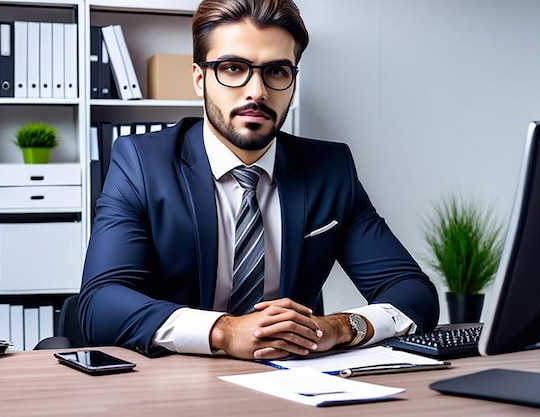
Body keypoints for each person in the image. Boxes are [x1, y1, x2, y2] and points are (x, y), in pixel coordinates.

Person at [79, 0, 439, 360]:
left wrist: (339, 327)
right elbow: (99, 302)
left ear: (293, 86)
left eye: (277, 71)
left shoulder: (330, 168)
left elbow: (413, 292)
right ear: (199, 78)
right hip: (174, 381)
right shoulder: (142, 163)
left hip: (291, 382)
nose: (257, 92)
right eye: (233, 68)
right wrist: (221, 331)